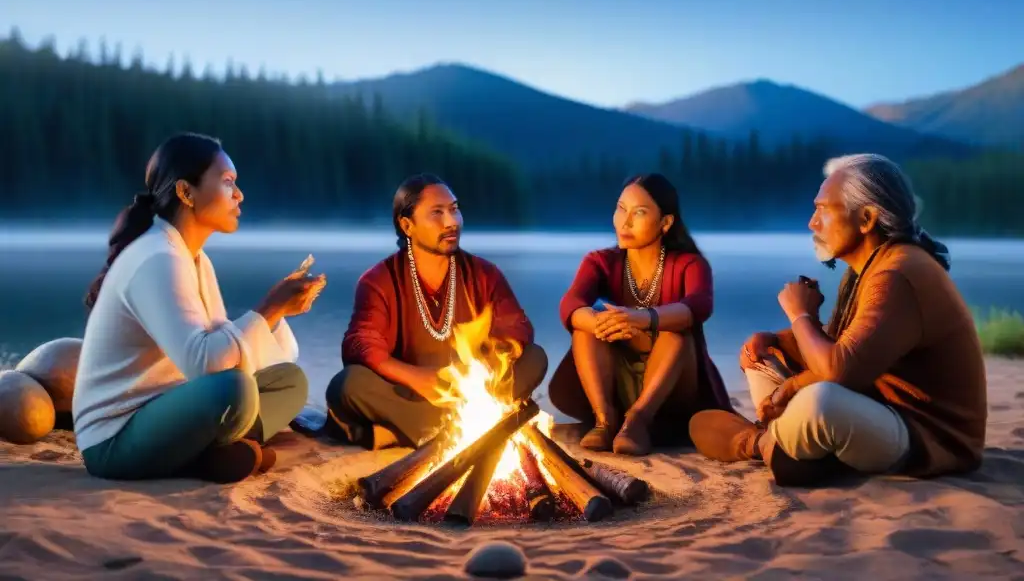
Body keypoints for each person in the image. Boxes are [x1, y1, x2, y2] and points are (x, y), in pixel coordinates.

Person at [688, 153, 988, 486]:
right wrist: (777, 342)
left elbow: (838, 371)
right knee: (761, 356)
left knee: (821, 403)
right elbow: (850, 344)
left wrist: (800, 313)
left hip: (928, 437)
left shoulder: (898, 273)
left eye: (823, 210)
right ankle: (789, 444)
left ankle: (762, 444)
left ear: (867, 218)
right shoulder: (870, 268)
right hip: (877, 405)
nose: (812, 223)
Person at [73, 132, 326, 484]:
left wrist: (278, 314)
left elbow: (223, 342)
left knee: (289, 381)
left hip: (172, 406)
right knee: (233, 390)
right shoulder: (157, 258)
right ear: (185, 192)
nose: (239, 195)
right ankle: (212, 456)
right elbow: (204, 364)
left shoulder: (194, 258)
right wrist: (268, 308)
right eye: (227, 183)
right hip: (115, 438)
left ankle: (212, 453)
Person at [323, 174, 548, 450]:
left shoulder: (484, 274)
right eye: (437, 213)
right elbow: (361, 343)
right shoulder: (379, 279)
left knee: (535, 357)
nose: (451, 222)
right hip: (409, 393)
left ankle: (404, 433)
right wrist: (418, 378)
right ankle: (458, 428)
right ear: (407, 225)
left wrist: (487, 360)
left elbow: (517, 326)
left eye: (454, 209)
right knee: (348, 384)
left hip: (473, 389)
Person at [548, 173, 732, 456]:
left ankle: (637, 421)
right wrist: (601, 322)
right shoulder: (600, 261)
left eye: (640, 212)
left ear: (665, 222)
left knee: (676, 332)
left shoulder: (690, 264)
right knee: (587, 323)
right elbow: (570, 303)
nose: (625, 221)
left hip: (673, 383)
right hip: (615, 378)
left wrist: (642, 318)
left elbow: (698, 306)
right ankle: (605, 419)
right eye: (621, 209)